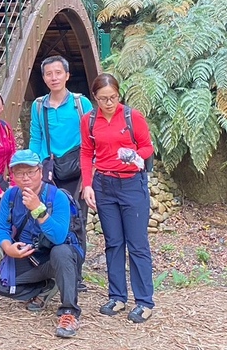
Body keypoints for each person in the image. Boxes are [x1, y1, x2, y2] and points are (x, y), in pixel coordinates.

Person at [80, 74, 156, 324]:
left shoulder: (132, 117)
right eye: (103, 99)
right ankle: (117, 296)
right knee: (113, 243)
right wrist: (88, 185)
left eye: (112, 97)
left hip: (132, 184)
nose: (108, 103)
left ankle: (144, 301)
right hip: (104, 184)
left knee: (137, 243)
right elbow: (86, 151)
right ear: (95, 98)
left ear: (119, 95)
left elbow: (147, 147)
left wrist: (134, 155)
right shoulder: (89, 120)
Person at [0, 150, 84, 339]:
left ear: (40, 171)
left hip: (62, 254)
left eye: (30, 172)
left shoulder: (57, 196)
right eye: (19, 173)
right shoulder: (11, 195)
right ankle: (46, 286)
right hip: (32, 255)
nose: (25, 178)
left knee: (61, 252)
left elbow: (59, 236)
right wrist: (8, 248)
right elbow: (1, 227)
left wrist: (38, 209)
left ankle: (69, 312)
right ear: (12, 176)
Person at [29, 55, 93, 278]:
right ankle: (51, 269)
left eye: (58, 73)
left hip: (77, 169)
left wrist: (89, 175)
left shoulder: (80, 103)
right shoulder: (39, 106)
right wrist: (34, 168)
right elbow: (36, 139)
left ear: (67, 75)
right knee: (48, 217)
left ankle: (76, 272)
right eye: (49, 73)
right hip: (50, 170)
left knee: (77, 220)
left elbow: (90, 139)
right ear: (44, 78)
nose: (53, 77)